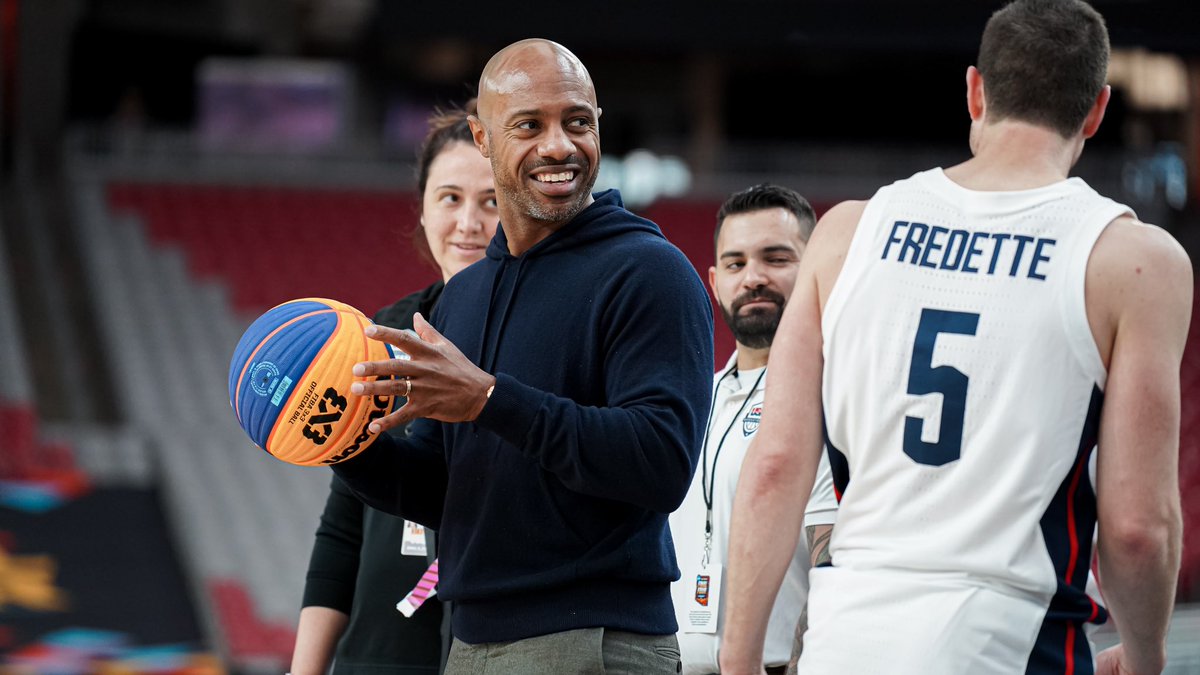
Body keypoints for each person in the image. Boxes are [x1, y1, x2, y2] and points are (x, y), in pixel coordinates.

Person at [719, 2, 1190, 674]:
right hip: (1010, 640)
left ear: (976, 91)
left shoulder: (847, 232)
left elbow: (773, 469)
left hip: (845, 635)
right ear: (1096, 111)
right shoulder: (1135, 261)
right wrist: (1144, 658)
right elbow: (1138, 530)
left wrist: (738, 664)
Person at [330, 38, 714, 674]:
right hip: (474, 644)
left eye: (578, 122)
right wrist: (344, 441)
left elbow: (661, 462)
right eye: (529, 125)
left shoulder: (650, 272)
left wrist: (489, 399)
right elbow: (445, 490)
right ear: (483, 140)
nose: (559, 146)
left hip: (596, 642)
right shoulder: (467, 295)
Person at [289, 102, 499, 675]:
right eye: (450, 198)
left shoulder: (542, 337)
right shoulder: (379, 333)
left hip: (487, 649)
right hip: (376, 655)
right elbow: (343, 523)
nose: (469, 222)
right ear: (424, 211)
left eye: (492, 202)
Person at [668, 184, 837, 675]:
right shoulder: (692, 398)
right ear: (715, 281)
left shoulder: (833, 396)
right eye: (737, 264)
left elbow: (833, 565)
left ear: (814, 271)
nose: (754, 278)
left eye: (776, 258)